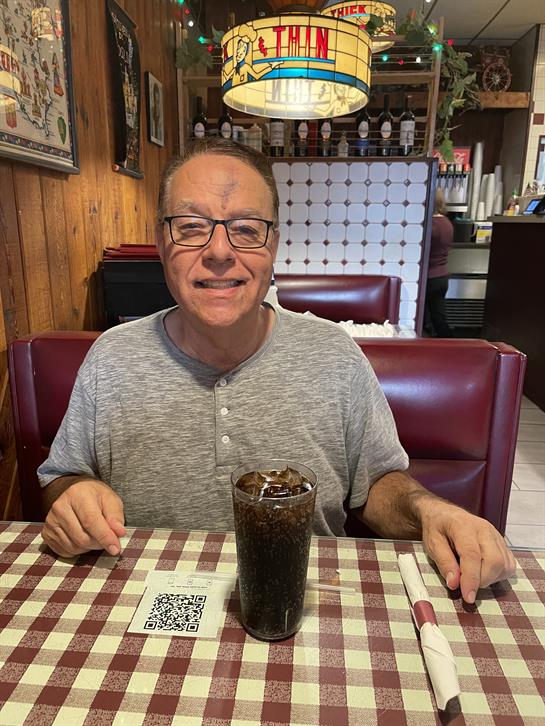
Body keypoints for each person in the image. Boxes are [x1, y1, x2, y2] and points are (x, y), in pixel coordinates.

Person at [39, 139, 515, 606]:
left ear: (273, 247)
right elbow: (60, 476)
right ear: (162, 242)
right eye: (190, 226)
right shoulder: (111, 357)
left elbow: (376, 485)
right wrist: (73, 494)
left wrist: (431, 511)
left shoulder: (334, 355)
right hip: (147, 606)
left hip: (300, 607)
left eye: (246, 229)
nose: (220, 251)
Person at [424, 188, 454, 338]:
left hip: (428, 278)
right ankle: (450, 347)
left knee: (422, 319)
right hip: (442, 277)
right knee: (439, 318)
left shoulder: (430, 225)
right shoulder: (447, 223)